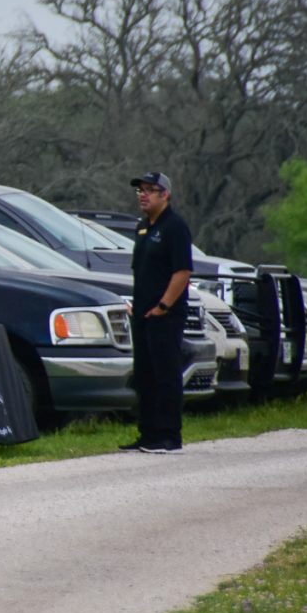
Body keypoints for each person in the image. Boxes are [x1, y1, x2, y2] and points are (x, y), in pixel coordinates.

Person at [121, 170, 193, 454]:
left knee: (165, 374)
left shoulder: (175, 227)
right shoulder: (142, 227)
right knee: (145, 374)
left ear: (166, 194)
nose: (143, 194)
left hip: (165, 315)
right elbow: (143, 271)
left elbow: (183, 271)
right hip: (142, 314)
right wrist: (137, 305)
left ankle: (169, 436)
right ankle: (148, 433)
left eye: (150, 189)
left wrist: (164, 305)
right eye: (140, 190)